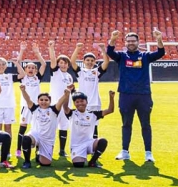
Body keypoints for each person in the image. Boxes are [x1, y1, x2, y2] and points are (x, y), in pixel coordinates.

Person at [107, 29, 164, 162]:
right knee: (126, 124)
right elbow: (110, 52)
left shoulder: (145, 56)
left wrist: (159, 40)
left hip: (143, 95)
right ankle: (125, 151)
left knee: (145, 124)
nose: (131, 43)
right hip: (126, 95)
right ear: (125, 43)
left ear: (138, 42)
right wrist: (113, 39)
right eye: (129, 41)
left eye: (133, 41)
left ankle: (148, 153)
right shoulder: (121, 56)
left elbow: (160, 53)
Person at [19, 83, 68, 168]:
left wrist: (66, 94)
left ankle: (38, 152)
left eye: (46, 100)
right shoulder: (35, 108)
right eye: (41, 100)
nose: (43, 102)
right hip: (36, 135)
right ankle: (27, 162)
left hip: (47, 139)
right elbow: (27, 99)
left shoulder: (54, 109)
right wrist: (23, 90)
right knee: (26, 138)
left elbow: (60, 101)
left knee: (45, 164)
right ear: (38, 101)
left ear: (50, 101)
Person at [64, 90, 116, 168]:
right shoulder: (72, 113)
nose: (80, 103)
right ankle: (79, 156)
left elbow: (110, 110)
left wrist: (111, 97)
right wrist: (67, 95)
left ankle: (92, 162)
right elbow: (65, 107)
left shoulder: (93, 114)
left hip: (89, 143)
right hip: (76, 146)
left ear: (87, 102)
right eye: (77, 102)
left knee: (103, 141)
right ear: (74, 104)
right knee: (78, 165)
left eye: (82, 101)